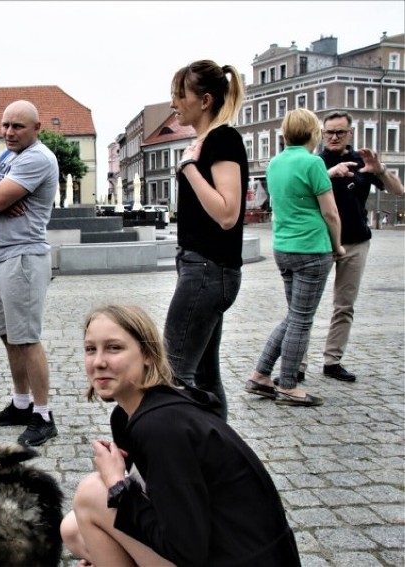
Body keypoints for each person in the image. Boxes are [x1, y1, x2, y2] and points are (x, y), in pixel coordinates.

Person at [60, 304, 300, 567]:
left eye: (114, 347)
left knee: (92, 492)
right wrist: (107, 551)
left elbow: (186, 550)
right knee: (73, 528)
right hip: (220, 545)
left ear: (148, 355)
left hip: (236, 557)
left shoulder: (160, 427)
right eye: (90, 349)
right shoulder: (129, 414)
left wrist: (118, 482)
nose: (99, 361)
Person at [0, 100, 59, 446]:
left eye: (17, 126)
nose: (8, 132)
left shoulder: (36, 157)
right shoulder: (6, 158)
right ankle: (22, 403)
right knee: (8, 335)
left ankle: (44, 414)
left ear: (37, 129)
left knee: (27, 338)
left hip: (23, 259)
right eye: (5, 125)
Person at [162, 60, 249, 420]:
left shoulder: (223, 139)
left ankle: (168, 464)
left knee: (172, 375)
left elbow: (228, 213)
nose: (173, 104)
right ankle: (222, 460)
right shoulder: (206, 141)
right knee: (204, 378)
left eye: (179, 95)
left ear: (205, 100)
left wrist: (189, 169)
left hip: (208, 270)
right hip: (202, 269)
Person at [245, 109, 344, 407]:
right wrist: (337, 246)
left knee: (294, 317)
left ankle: (260, 374)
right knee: (301, 321)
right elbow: (330, 212)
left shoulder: (275, 163)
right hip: (312, 248)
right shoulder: (313, 162)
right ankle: (287, 386)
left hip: (283, 248)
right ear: (313, 132)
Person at [308, 111, 404, 382]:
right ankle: (297, 365)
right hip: (321, 242)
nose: (334, 137)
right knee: (306, 307)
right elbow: (301, 190)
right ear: (322, 134)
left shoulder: (362, 160)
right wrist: (329, 173)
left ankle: (332, 361)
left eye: (340, 132)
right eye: (329, 133)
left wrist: (381, 170)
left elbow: (398, 191)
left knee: (344, 305)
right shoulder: (316, 162)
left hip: (356, 241)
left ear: (350, 133)